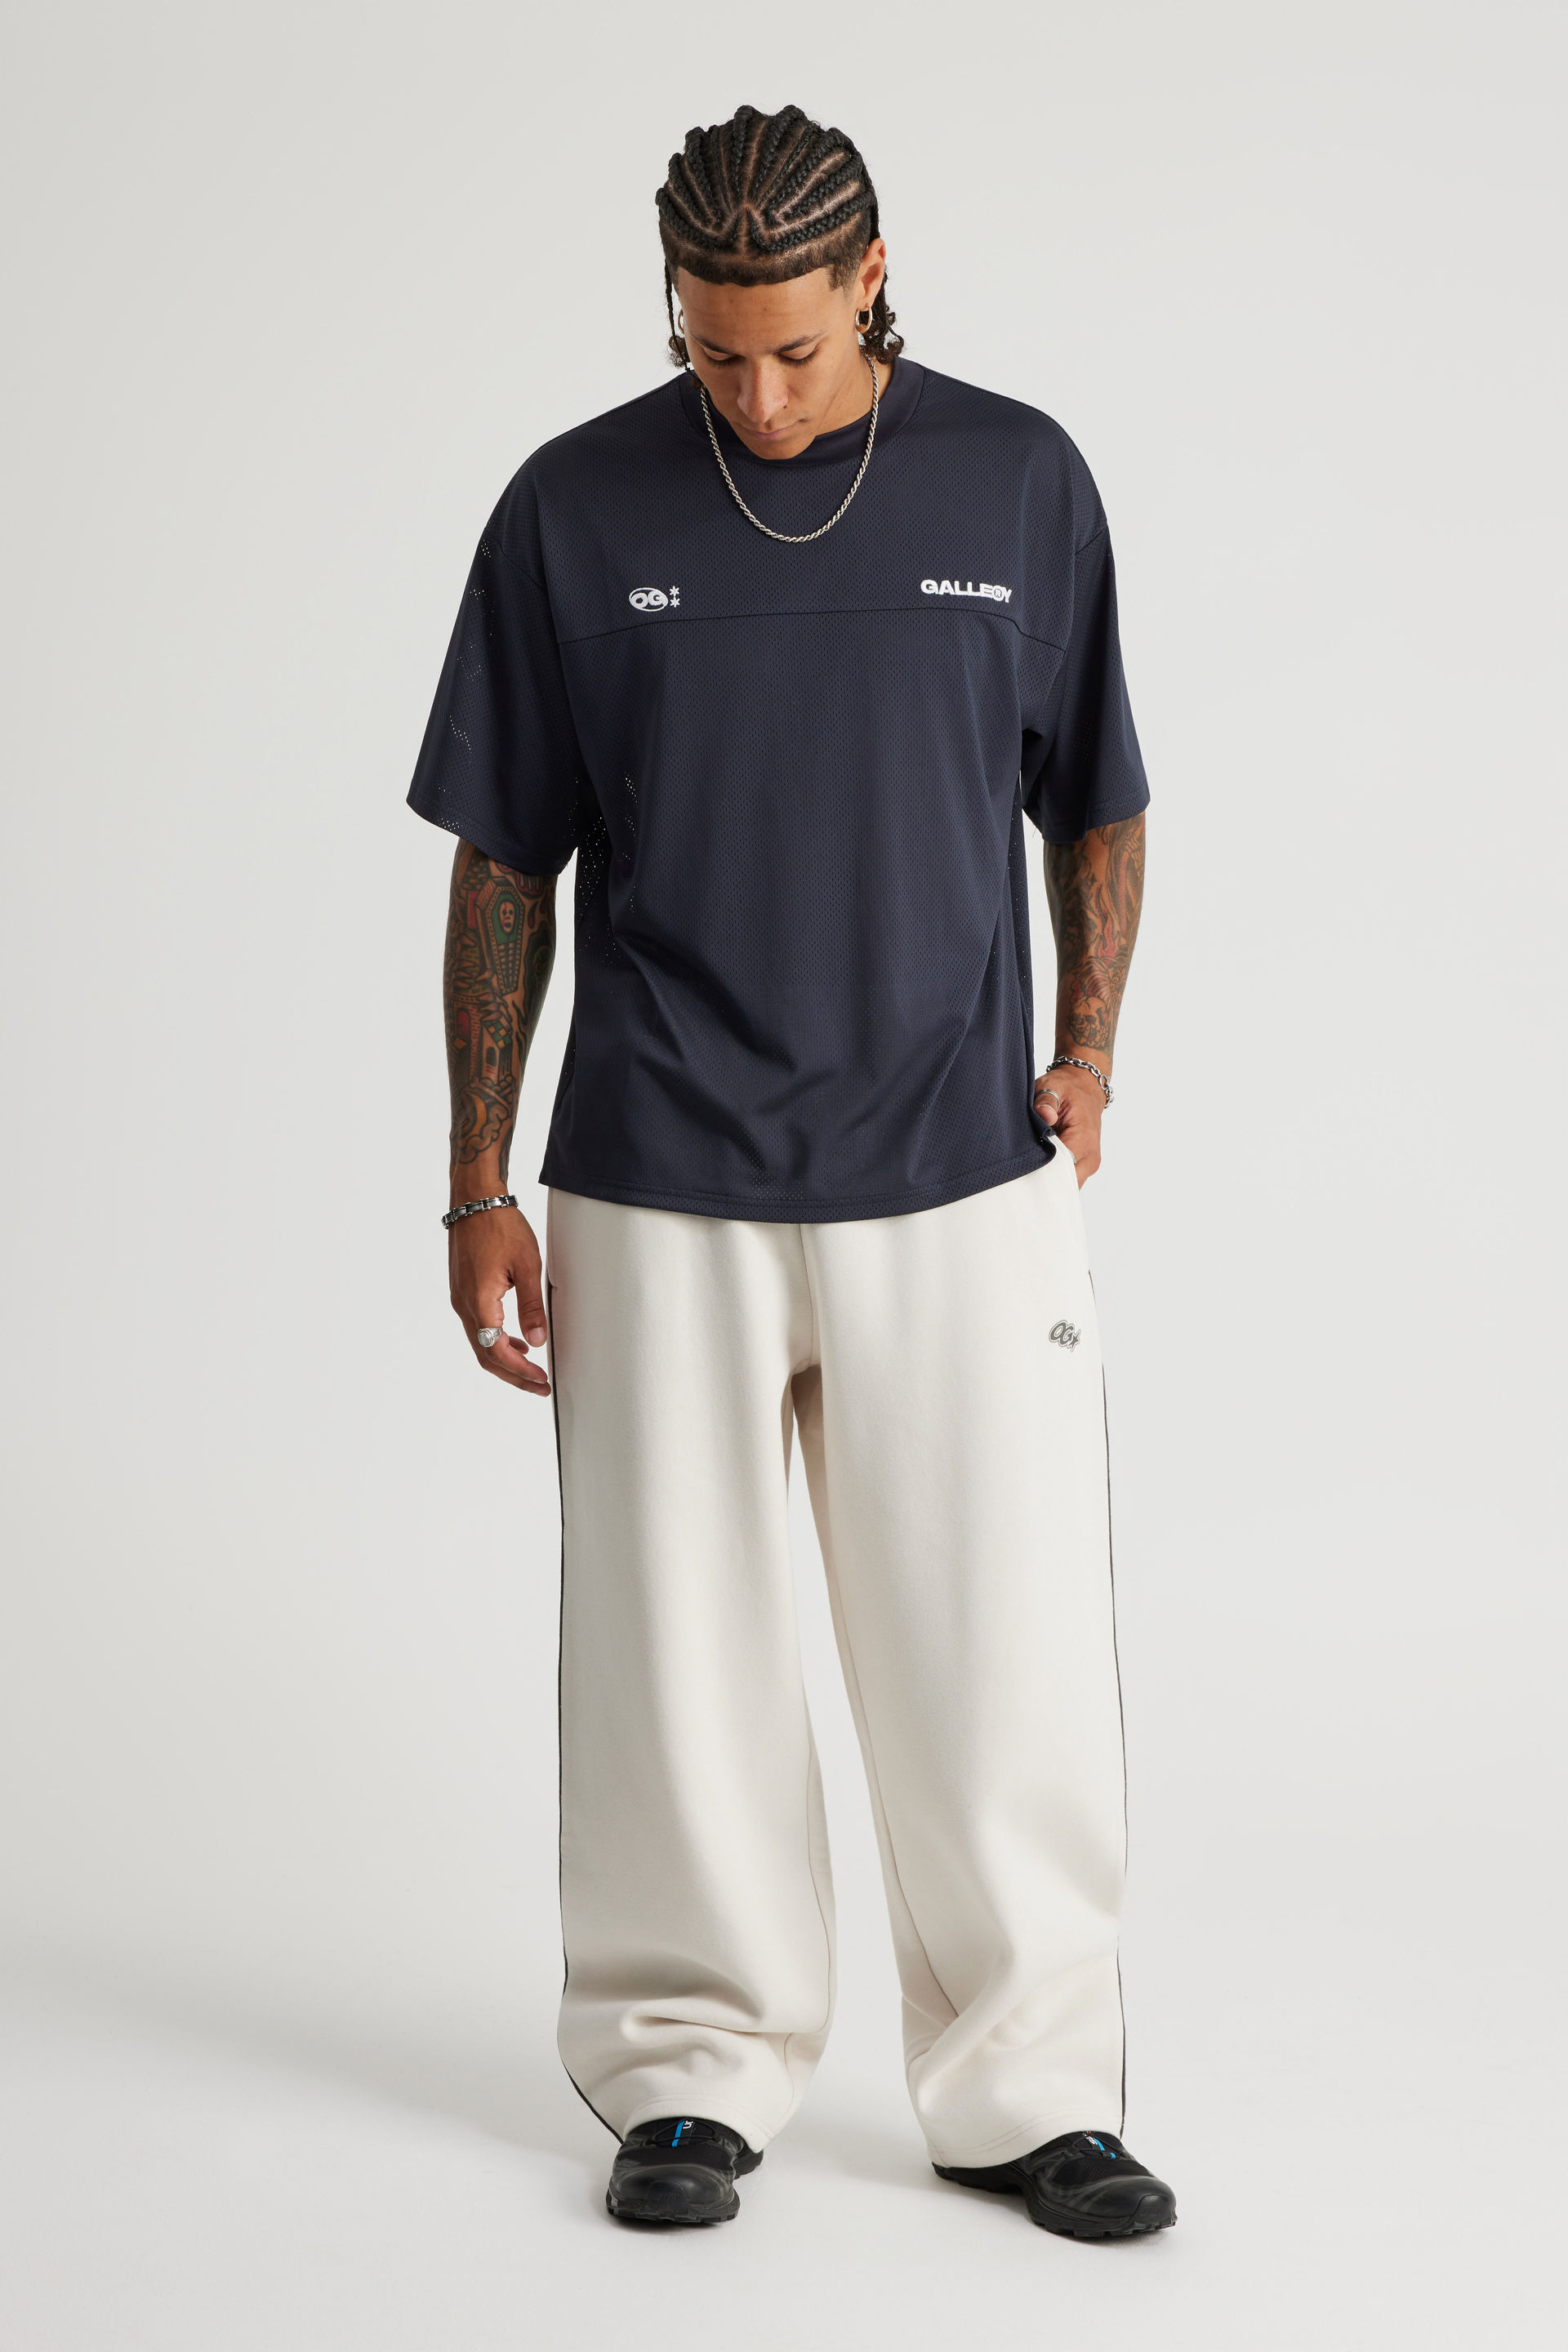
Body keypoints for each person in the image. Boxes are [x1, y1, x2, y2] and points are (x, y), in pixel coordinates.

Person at [408, 101, 1174, 2241]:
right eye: (713, 350)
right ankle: (687, 2071)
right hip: (659, 1169)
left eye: (795, 351)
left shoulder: (1018, 483)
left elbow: (1101, 792)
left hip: (958, 1168)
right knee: (674, 1658)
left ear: (872, 281)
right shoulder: (573, 509)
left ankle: (1031, 2090)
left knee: (999, 1645)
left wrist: (1091, 1048)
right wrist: (477, 1179)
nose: (755, 396)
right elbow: (503, 862)